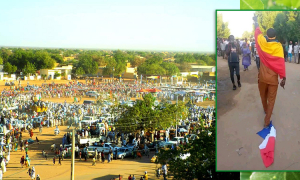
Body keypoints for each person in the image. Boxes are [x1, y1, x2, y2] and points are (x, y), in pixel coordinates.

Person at [253, 16, 286, 127]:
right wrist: (283, 77)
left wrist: (256, 22)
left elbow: (258, 34)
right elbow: (281, 64)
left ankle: (265, 110)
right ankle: (266, 121)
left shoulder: (262, 44)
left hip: (262, 78)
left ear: (267, 35)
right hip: (273, 80)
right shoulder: (278, 47)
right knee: (271, 100)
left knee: (263, 96)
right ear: (275, 36)